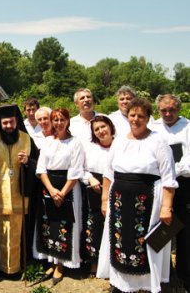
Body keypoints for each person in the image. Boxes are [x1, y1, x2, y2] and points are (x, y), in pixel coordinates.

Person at [97, 98, 178, 293]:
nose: (136, 119)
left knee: (146, 245)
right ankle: (121, 284)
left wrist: (166, 208)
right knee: (120, 241)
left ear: (149, 118)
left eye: (141, 116)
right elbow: (108, 173)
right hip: (119, 203)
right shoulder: (120, 141)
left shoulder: (158, 141)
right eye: (132, 115)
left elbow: (169, 178)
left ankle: (148, 285)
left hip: (149, 203)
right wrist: (104, 200)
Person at [0, 104, 39, 278]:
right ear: (0, 123)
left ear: (17, 121)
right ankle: (1, 267)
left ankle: (19, 266)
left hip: (20, 193)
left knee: (19, 231)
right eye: (5, 123)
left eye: (12, 122)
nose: (9, 126)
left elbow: (38, 164)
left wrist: (27, 162)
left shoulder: (26, 139)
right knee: (0, 232)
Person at [33, 108, 84, 285]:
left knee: (65, 224)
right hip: (49, 187)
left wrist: (62, 192)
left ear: (68, 121)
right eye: (55, 120)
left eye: (62, 119)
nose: (58, 123)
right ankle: (52, 260)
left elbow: (76, 170)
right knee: (50, 224)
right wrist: (51, 190)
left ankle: (62, 264)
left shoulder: (75, 142)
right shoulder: (47, 141)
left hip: (68, 187)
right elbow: (41, 169)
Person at [151, 94, 190, 292]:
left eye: (172, 110)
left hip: (184, 184)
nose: (167, 114)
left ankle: (185, 276)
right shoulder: (154, 127)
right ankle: (163, 276)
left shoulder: (188, 127)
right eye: (164, 110)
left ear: (179, 109)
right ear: (158, 110)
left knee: (184, 231)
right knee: (160, 231)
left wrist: (171, 171)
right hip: (159, 185)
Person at [81, 115, 115, 277]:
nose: (101, 131)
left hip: (117, 189)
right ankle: (94, 263)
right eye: (97, 129)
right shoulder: (90, 148)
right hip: (95, 189)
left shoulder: (122, 145)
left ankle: (113, 264)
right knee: (95, 226)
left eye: (103, 127)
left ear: (110, 126)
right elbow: (81, 169)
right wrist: (90, 178)